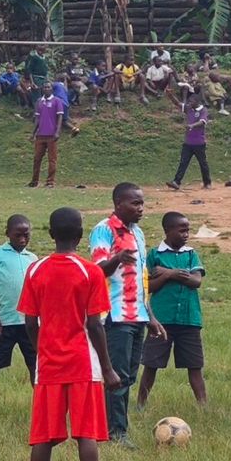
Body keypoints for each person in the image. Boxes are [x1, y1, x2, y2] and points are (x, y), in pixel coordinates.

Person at [20, 206, 120, 461]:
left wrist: (41, 351)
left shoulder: (35, 270)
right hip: (83, 364)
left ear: (50, 234)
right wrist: (108, 368)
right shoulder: (90, 272)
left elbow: (29, 322)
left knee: (43, 436)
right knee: (86, 434)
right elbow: (95, 324)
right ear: (80, 235)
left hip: (48, 364)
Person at [90, 182, 164, 446]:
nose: (141, 208)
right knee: (117, 376)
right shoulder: (103, 230)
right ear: (118, 203)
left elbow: (141, 279)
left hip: (137, 316)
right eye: (135, 203)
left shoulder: (138, 233)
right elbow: (97, 271)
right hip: (116, 315)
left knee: (129, 376)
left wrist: (150, 316)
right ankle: (116, 432)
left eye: (142, 203)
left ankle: (113, 425)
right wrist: (117, 258)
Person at [138, 211, 208, 411]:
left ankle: (203, 406)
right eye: (182, 230)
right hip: (161, 320)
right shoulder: (154, 255)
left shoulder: (191, 254)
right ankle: (141, 404)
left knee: (194, 365)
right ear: (167, 230)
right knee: (151, 364)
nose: (186, 234)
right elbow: (148, 286)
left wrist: (169, 273)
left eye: (188, 230)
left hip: (189, 319)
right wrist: (170, 276)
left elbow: (196, 281)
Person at [0, 214, 40, 415]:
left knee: (35, 367)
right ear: (7, 233)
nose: (22, 239)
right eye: (17, 235)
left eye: (26, 235)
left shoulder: (33, 259)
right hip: (5, 323)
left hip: (29, 323)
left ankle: (41, 410)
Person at [29, 81, 67, 187]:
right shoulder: (39, 101)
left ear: (52, 89)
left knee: (52, 159)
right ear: (42, 89)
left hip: (52, 135)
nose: (46, 89)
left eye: (48, 87)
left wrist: (57, 132)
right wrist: (33, 133)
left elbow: (60, 117)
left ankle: (50, 181)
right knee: (37, 158)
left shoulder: (57, 101)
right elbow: (37, 119)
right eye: (45, 87)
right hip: (40, 135)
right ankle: (34, 181)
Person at [170, 94, 212, 190]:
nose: (189, 103)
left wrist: (192, 125)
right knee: (183, 162)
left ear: (197, 102)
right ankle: (176, 182)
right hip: (188, 142)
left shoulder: (203, 110)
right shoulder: (189, 108)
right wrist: (170, 95)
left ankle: (207, 183)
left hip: (199, 143)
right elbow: (177, 103)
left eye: (191, 101)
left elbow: (202, 122)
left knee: (203, 163)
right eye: (189, 101)